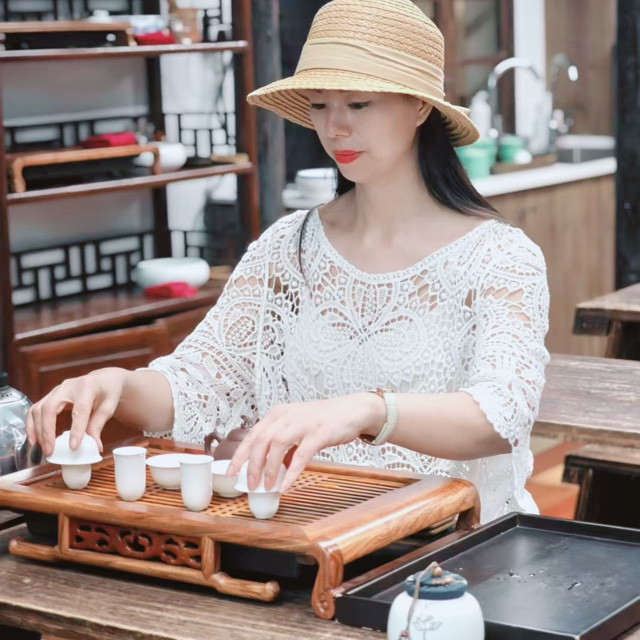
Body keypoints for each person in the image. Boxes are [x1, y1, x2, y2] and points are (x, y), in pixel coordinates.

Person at [26, 0, 549, 524]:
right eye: (319, 106)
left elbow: (501, 416)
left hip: (455, 545)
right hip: (313, 536)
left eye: (359, 104)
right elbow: (195, 383)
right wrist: (119, 384)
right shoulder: (287, 249)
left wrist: (367, 410)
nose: (335, 128)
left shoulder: (499, 257)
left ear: (419, 108)